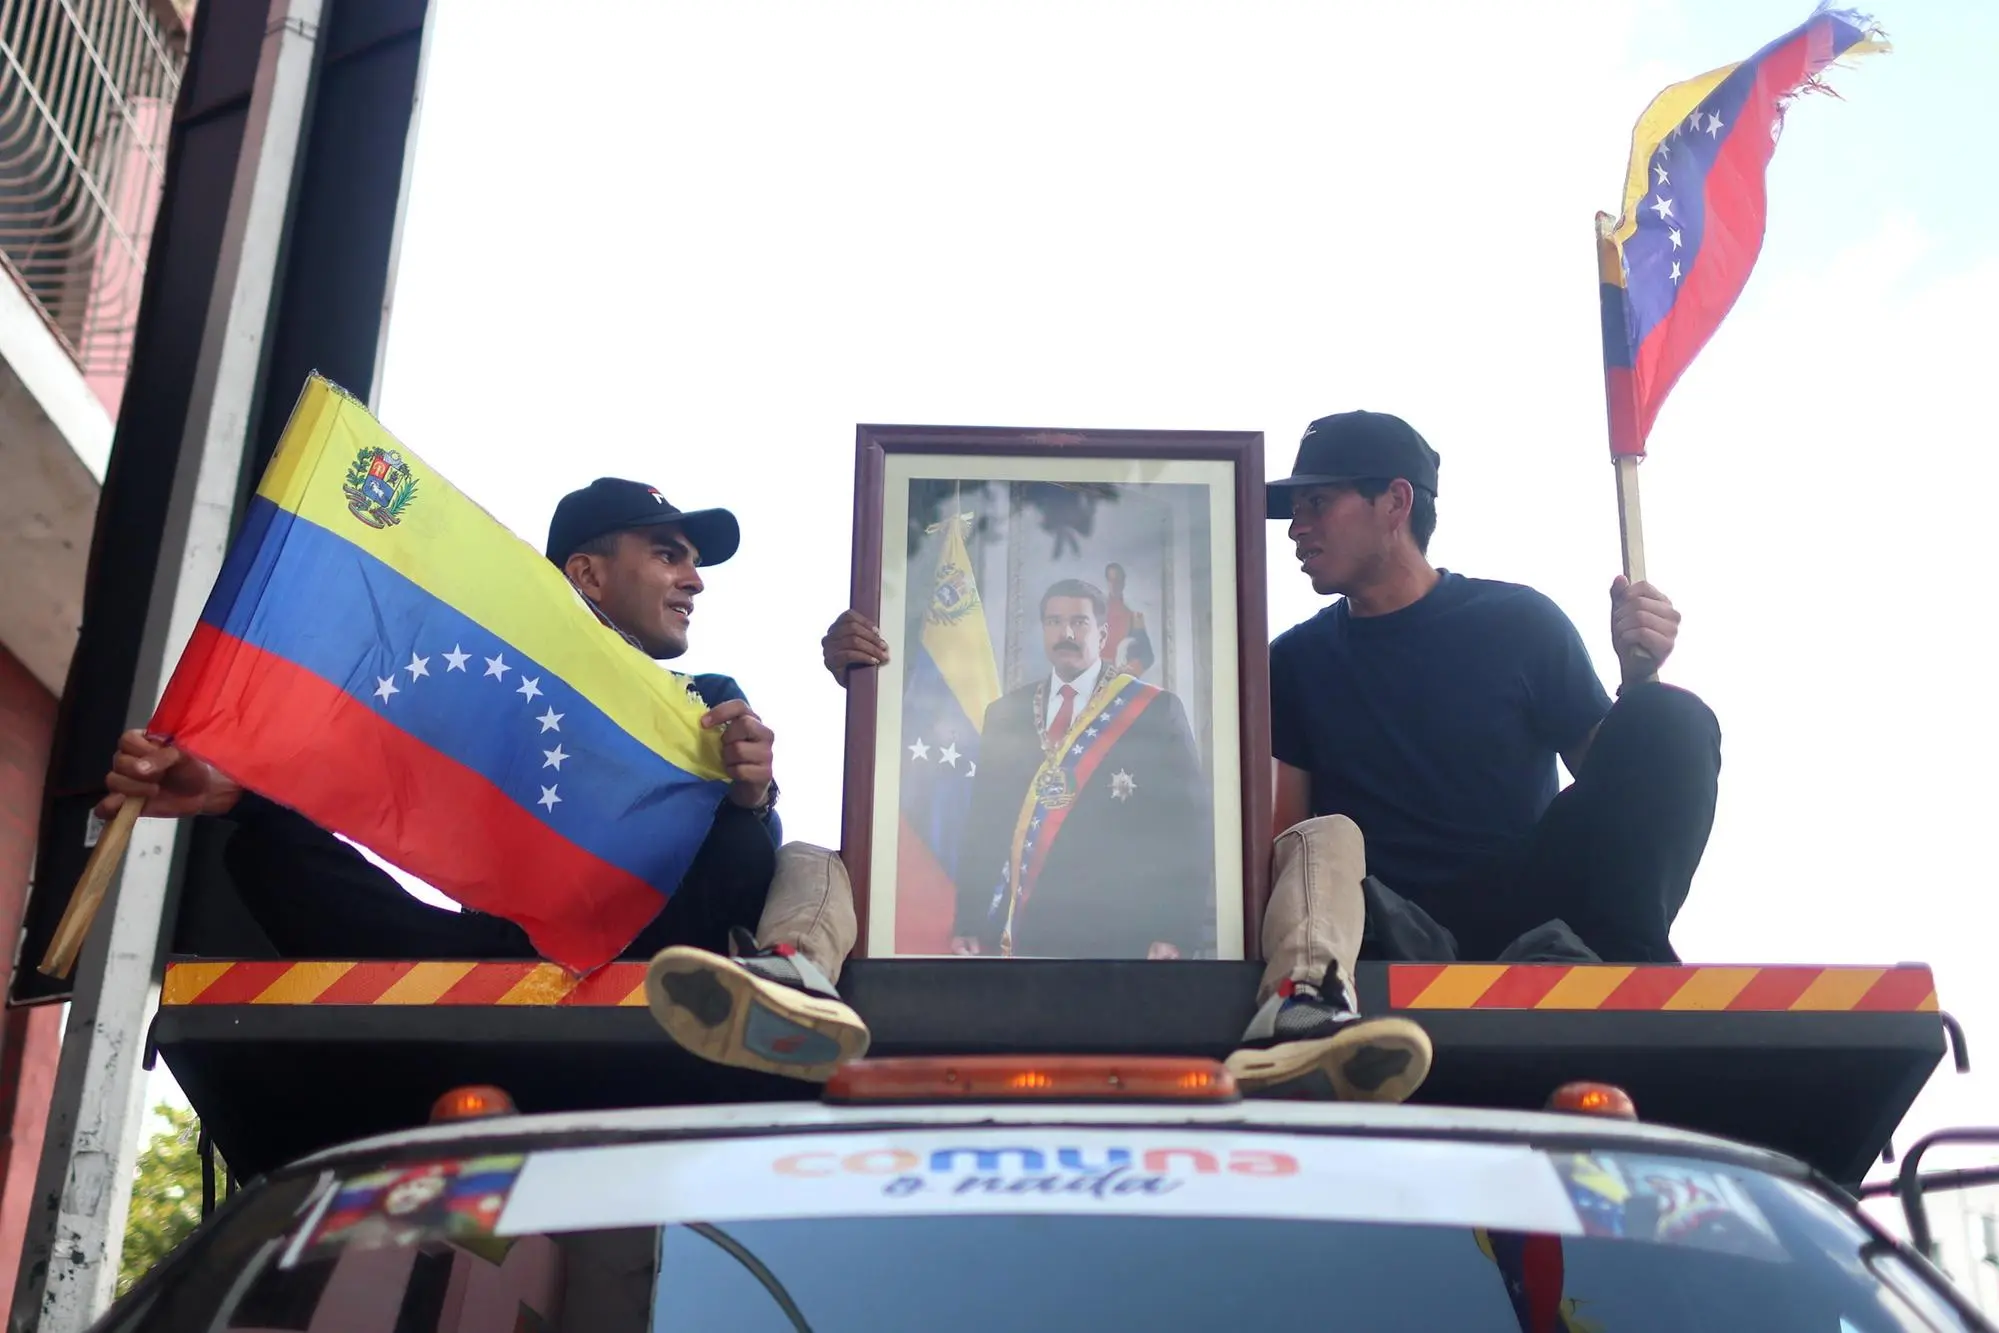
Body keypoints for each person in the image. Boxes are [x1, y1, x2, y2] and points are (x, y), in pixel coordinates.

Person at [101, 477, 869, 1083]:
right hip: (525, 963)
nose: (694, 580)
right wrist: (242, 795)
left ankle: (788, 988)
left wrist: (748, 794)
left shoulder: (707, 705)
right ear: (587, 574)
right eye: (669, 553)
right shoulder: (486, 691)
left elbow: (737, 880)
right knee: (294, 868)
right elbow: (354, 765)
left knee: (810, 858)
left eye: (693, 562)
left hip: (694, 966)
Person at [1225, 409, 1720, 1098]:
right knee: (1320, 839)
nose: (1295, 527)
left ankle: (1624, 964)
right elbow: (1287, 838)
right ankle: (1304, 1001)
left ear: (1394, 502)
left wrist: (1638, 677)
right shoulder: (1292, 663)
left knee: (1668, 716)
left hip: (1540, 919)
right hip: (1387, 928)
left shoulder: (1518, 623)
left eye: (1315, 502)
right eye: (1293, 509)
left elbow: (1620, 783)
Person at [949, 578, 1212, 959]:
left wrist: (1176, 931)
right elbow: (985, 824)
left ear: (1103, 633)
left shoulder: (1154, 711)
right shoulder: (1006, 714)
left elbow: (1188, 828)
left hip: (1125, 930)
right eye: (1054, 622)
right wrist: (969, 923)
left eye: (1079, 622)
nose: (1066, 633)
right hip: (1025, 929)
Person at [1101, 562, 1155, 678]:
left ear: (1123, 582)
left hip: (1122, 678)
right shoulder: (1096, 613)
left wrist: (1128, 670)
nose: (1114, 585)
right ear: (1107, 582)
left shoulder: (1133, 616)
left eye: (1118, 580)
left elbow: (1147, 656)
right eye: (1111, 580)